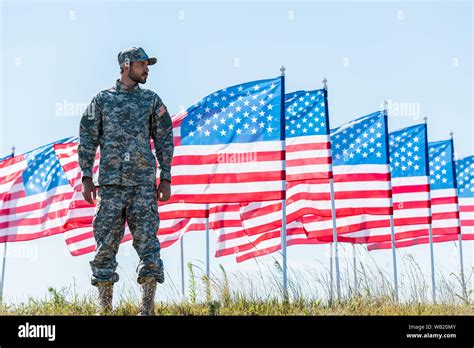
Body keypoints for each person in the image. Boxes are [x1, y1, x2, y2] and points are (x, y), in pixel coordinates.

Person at [78, 47, 174, 316]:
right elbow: (87, 138)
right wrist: (86, 176)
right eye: (143, 64)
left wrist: (165, 176)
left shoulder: (152, 101)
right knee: (104, 247)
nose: (147, 70)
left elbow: (165, 139)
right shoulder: (102, 100)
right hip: (109, 187)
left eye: (148, 65)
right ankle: (105, 309)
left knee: (148, 245)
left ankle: (147, 308)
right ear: (126, 65)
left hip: (143, 187)